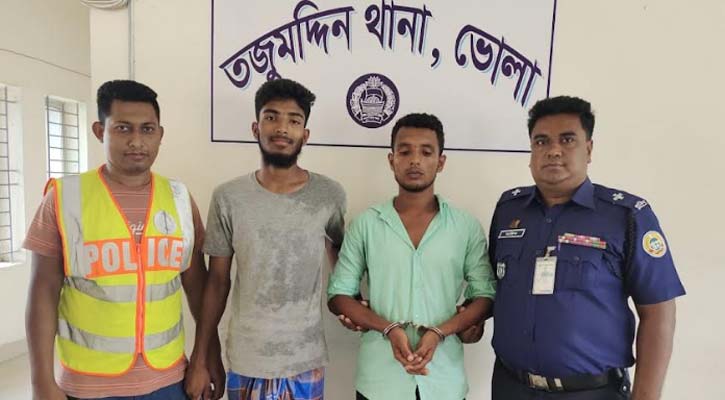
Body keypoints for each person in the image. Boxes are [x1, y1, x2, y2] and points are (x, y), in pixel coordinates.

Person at [24, 80, 224, 400]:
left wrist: (207, 356)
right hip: (89, 384)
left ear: (160, 134)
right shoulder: (64, 198)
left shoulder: (179, 199)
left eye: (147, 129)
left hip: (169, 380)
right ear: (100, 131)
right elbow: (42, 292)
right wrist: (41, 382)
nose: (136, 141)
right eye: (122, 128)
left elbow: (198, 289)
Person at [488, 96, 685, 399]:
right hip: (511, 387)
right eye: (541, 141)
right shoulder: (508, 210)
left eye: (567, 140)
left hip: (591, 392)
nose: (553, 150)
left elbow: (658, 312)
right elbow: (494, 287)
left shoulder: (626, 216)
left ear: (589, 149)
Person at [185, 78, 347, 400]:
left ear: (305, 134)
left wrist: (354, 306)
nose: (282, 128)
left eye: (294, 120)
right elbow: (217, 282)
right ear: (255, 128)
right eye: (271, 117)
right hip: (247, 359)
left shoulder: (329, 194)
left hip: (305, 359)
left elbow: (343, 267)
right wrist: (201, 356)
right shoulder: (228, 196)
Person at [327, 113, 496, 400]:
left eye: (426, 152)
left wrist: (440, 332)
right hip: (379, 382)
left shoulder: (465, 226)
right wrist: (389, 328)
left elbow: (485, 296)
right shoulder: (366, 224)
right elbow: (338, 295)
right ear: (391, 160)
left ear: (440, 162)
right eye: (405, 152)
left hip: (443, 382)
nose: (415, 160)